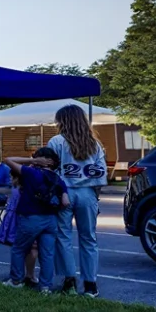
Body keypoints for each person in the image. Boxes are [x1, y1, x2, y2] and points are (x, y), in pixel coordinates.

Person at [47, 104, 107, 297]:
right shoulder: (94, 144)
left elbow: (50, 172)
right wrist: (94, 196)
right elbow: (101, 173)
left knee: (63, 236)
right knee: (89, 238)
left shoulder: (56, 142)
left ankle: (69, 280)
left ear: (62, 121)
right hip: (87, 192)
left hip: (64, 192)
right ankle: (90, 284)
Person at [1, 147, 70, 292]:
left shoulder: (31, 173)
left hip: (30, 217)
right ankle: (45, 286)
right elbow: (65, 202)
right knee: (47, 254)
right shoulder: (59, 180)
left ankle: (16, 280)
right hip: (50, 220)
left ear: (40, 159)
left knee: (19, 249)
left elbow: (7, 160)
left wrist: (32, 160)